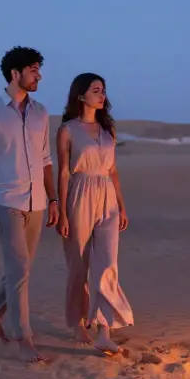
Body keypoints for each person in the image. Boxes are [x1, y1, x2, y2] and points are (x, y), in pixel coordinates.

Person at [0, 46, 59, 364]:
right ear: (15, 73)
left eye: (39, 69)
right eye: (33, 69)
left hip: (37, 203)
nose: (39, 75)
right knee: (19, 269)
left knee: (20, 269)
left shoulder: (41, 113)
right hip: (5, 201)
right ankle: (24, 338)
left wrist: (54, 198)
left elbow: (46, 159)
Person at [55, 72, 134, 356]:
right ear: (81, 96)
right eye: (96, 90)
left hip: (107, 196)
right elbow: (63, 172)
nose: (102, 95)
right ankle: (77, 321)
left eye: (103, 90)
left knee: (107, 263)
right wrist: (63, 212)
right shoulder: (67, 130)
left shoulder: (106, 130)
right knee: (78, 265)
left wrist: (122, 206)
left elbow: (113, 170)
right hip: (79, 192)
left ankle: (104, 330)